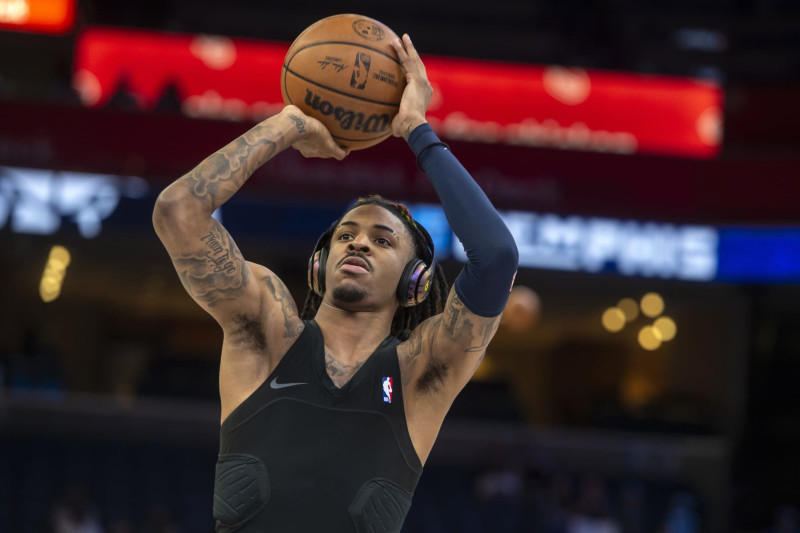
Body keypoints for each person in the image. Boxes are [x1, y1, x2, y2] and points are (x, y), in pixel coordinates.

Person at [152, 34, 518, 532]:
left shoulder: (421, 372)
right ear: (318, 265)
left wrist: (416, 130)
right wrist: (288, 125)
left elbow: (496, 257)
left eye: (383, 240)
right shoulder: (267, 332)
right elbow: (178, 211)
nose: (359, 243)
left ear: (415, 281)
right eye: (346, 234)